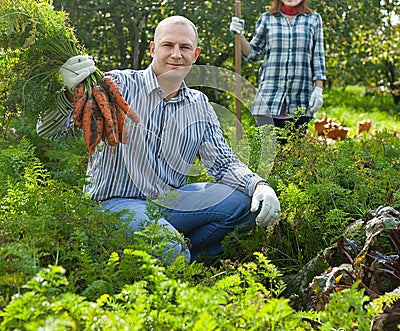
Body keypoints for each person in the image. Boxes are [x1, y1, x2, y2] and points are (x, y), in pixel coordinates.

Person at [37, 15, 281, 263]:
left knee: (245, 205)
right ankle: (172, 253)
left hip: (170, 202)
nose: (176, 54)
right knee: (170, 250)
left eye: (185, 47)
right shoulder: (116, 85)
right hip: (115, 203)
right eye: (168, 45)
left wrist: (260, 185)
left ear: (195, 55)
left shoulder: (199, 105)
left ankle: (184, 253)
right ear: (153, 49)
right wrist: (70, 95)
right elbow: (47, 131)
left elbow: (223, 163)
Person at [230, 0, 326, 136]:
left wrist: (318, 89)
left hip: (300, 100)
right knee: (269, 156)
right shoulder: (267, 18)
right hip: (268, 99)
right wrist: (239, 35)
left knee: (295, 157)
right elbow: (252, 53)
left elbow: (317, 57)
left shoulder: (313, 19)